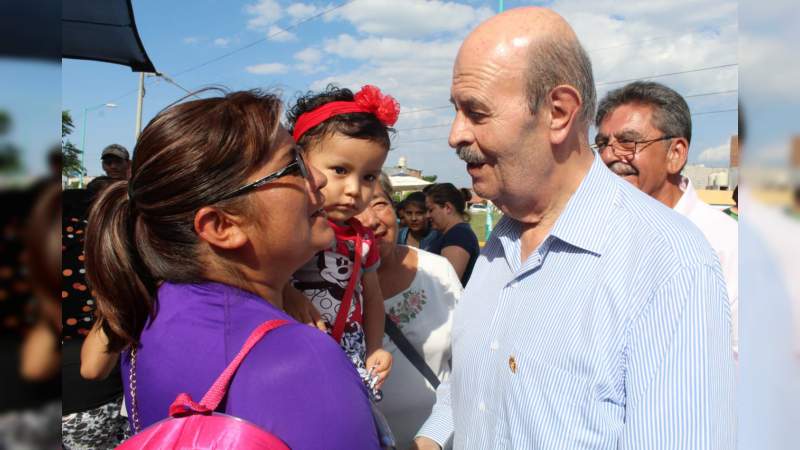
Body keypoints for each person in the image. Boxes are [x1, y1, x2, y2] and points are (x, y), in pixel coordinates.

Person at [413, 7, 734, 450]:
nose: (455, 135)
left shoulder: (666, 263)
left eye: (476, 113)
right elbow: (472, 383)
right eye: (456, 111)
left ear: (559, 112)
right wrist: (428, 440)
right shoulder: (499, 245)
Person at [84, 90, 380, 449]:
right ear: (222, 226)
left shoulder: (149, 307)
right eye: (294, 164)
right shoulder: (300, 359)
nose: (318, 179)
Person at [595, 80, 739, 354]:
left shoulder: (726, 244)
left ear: (676, 154)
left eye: (627, 142)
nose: (609, 155)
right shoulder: (595, 233)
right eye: (602, 143)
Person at [285, 84, 397, 402]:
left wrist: (375, 347)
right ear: (300, 162)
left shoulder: (363, 239)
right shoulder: (290, 226)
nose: (354, 189)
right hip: (292, 352)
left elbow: (373, 298)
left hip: (348, 356)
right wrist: (286, 293)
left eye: (369, 177)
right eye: (340, 170)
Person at [355, 173, 461, 448]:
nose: (371, 220)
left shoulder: (437, 270)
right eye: (354, 209)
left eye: (378, 203)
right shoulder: (324, 292)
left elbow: (469, 364)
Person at [424, 183, 479, 286]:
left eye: (431, 210)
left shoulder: (459, 235)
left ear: (447, 207)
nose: (427, 215)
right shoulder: (446, 234)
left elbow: (447, 284)